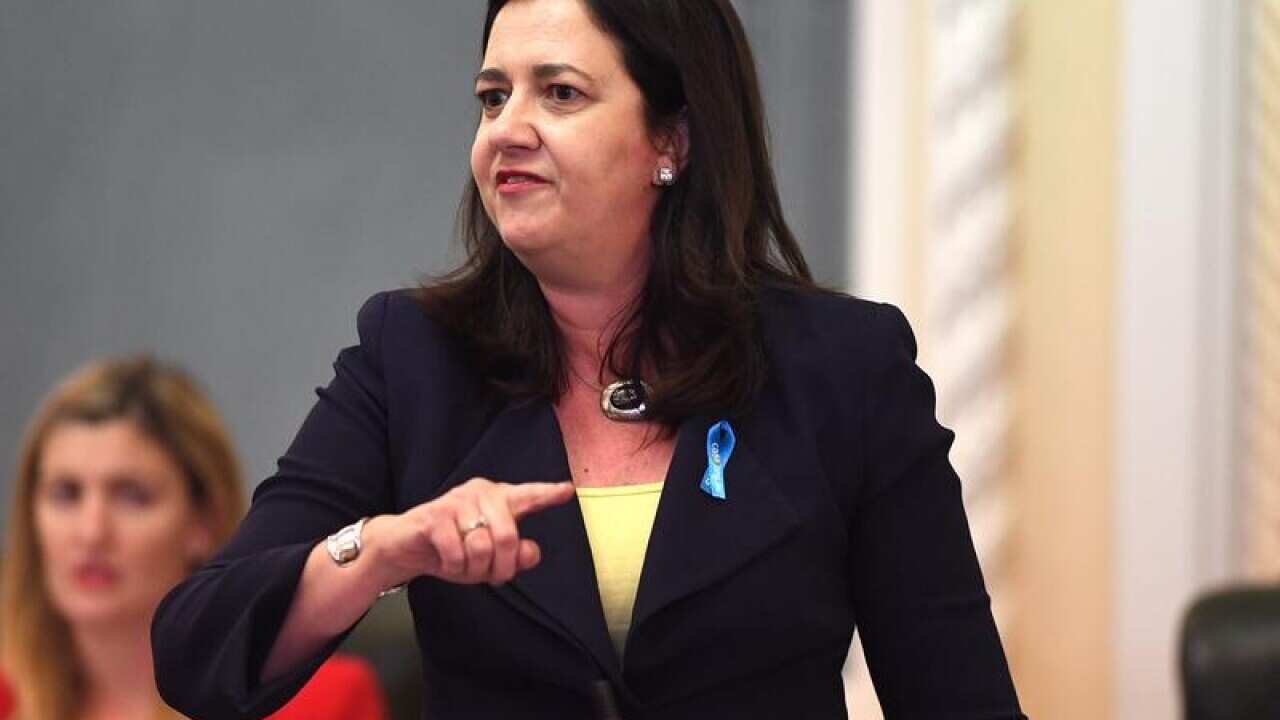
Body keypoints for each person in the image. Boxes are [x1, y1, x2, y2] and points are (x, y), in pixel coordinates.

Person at [152, 0, 1028, 717]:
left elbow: (958, 700)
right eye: (493, 97)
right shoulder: (412, 356)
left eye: (560, 94)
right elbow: (197, 647)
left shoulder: (841, 368)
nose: (507, 131)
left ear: (670, 143)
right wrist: (383, 551)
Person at [0, 357, 387, 720]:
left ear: (203, 522)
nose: (91, 532)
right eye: (66, 494)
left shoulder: (326, 702)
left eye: (132, 495)